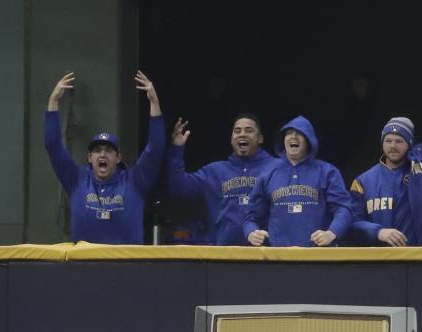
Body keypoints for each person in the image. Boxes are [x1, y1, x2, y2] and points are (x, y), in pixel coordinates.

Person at [45, 71, 165, 244]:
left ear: (118, 158)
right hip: (84, 267)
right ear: (89, 157)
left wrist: (154, 102)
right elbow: (53, 146)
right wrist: (53, 101)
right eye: (97, 150)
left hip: (127, 267)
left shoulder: (135, 181)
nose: (102, 154)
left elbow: (156, 148)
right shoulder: (76, 179)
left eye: (109, 151)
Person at [348, 51, 422, 247]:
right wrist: (378, 232)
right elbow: (351, 222)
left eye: (399, 141)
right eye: (388, 140)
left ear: (410, 144)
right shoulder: (363, 182)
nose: (393, 146)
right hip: (382, 263)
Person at [167, 113, 281, 245]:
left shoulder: (276, 168)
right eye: (237, 131)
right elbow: (180, 187)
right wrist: (176, 148)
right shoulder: (215, 171)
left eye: (249, 130)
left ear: (260, 139)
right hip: (225, 255)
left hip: (267, 255)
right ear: (232, 139)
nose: (242, 134)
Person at [242, 116, 353, 247]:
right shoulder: (268, 173)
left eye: (299, 133)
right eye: (289, 133)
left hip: (318, 256)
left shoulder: (327, 172)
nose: (293, 137)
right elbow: (251, 217)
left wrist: (331, 233)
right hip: (278, 258)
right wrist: (251, 232)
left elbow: (343, 209)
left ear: (309, 140)